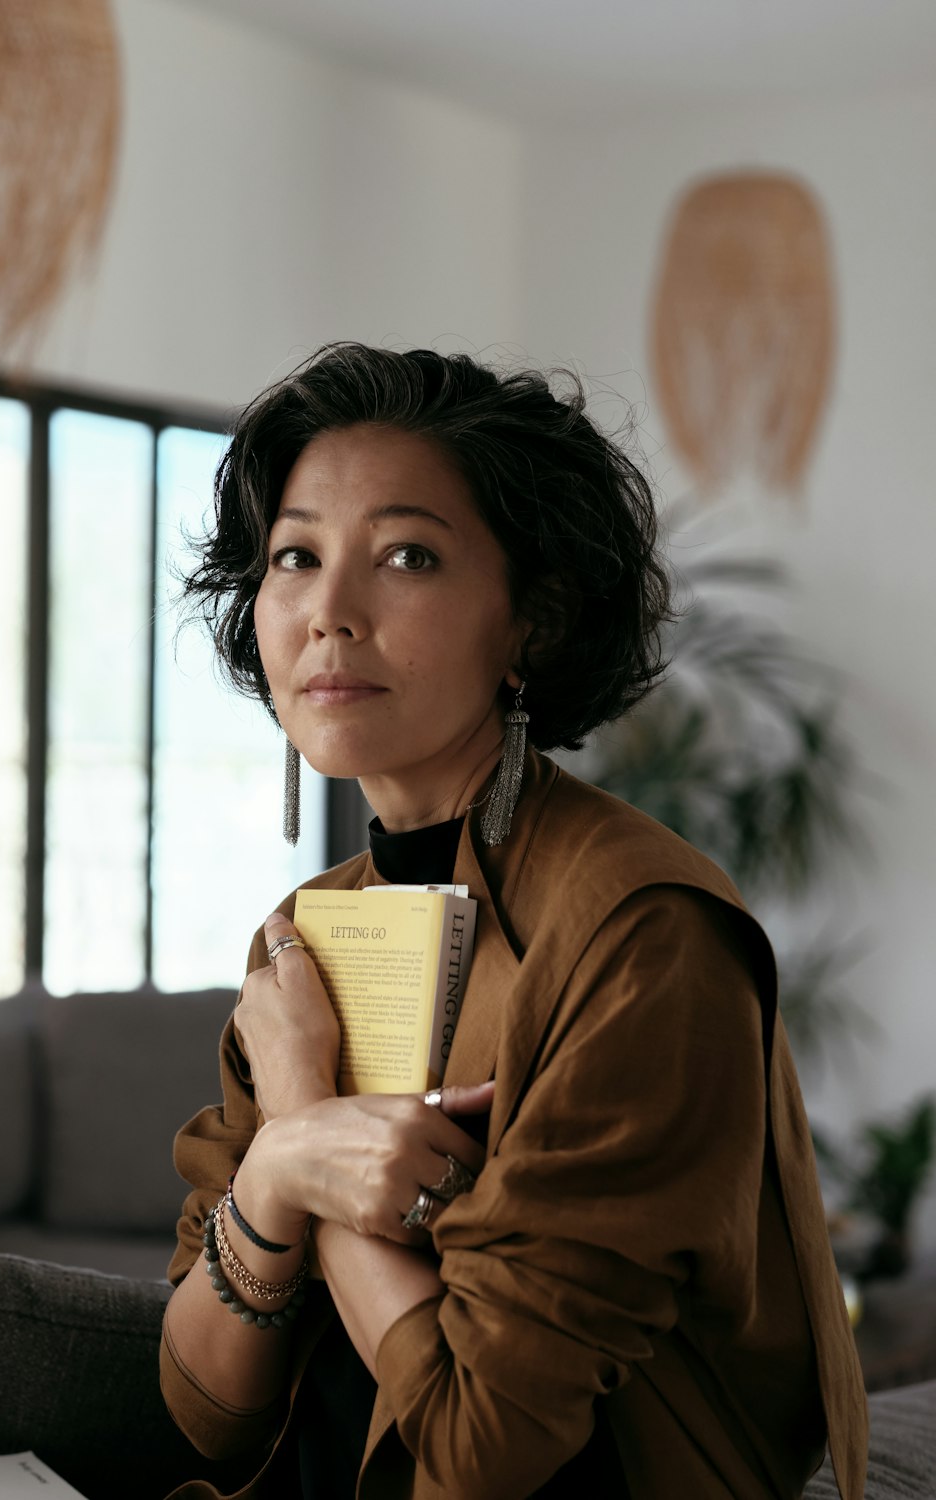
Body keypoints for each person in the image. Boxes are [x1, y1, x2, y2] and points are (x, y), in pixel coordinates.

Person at [159, 343, 868, 1500]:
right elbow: (210, 1417)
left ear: (529, 621)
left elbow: (477, 1458)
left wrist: (301, 1121)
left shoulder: (644, 932)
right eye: (296, 555)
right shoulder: (304, 935)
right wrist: (283, 1173)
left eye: (407, 555)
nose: (329, 613)